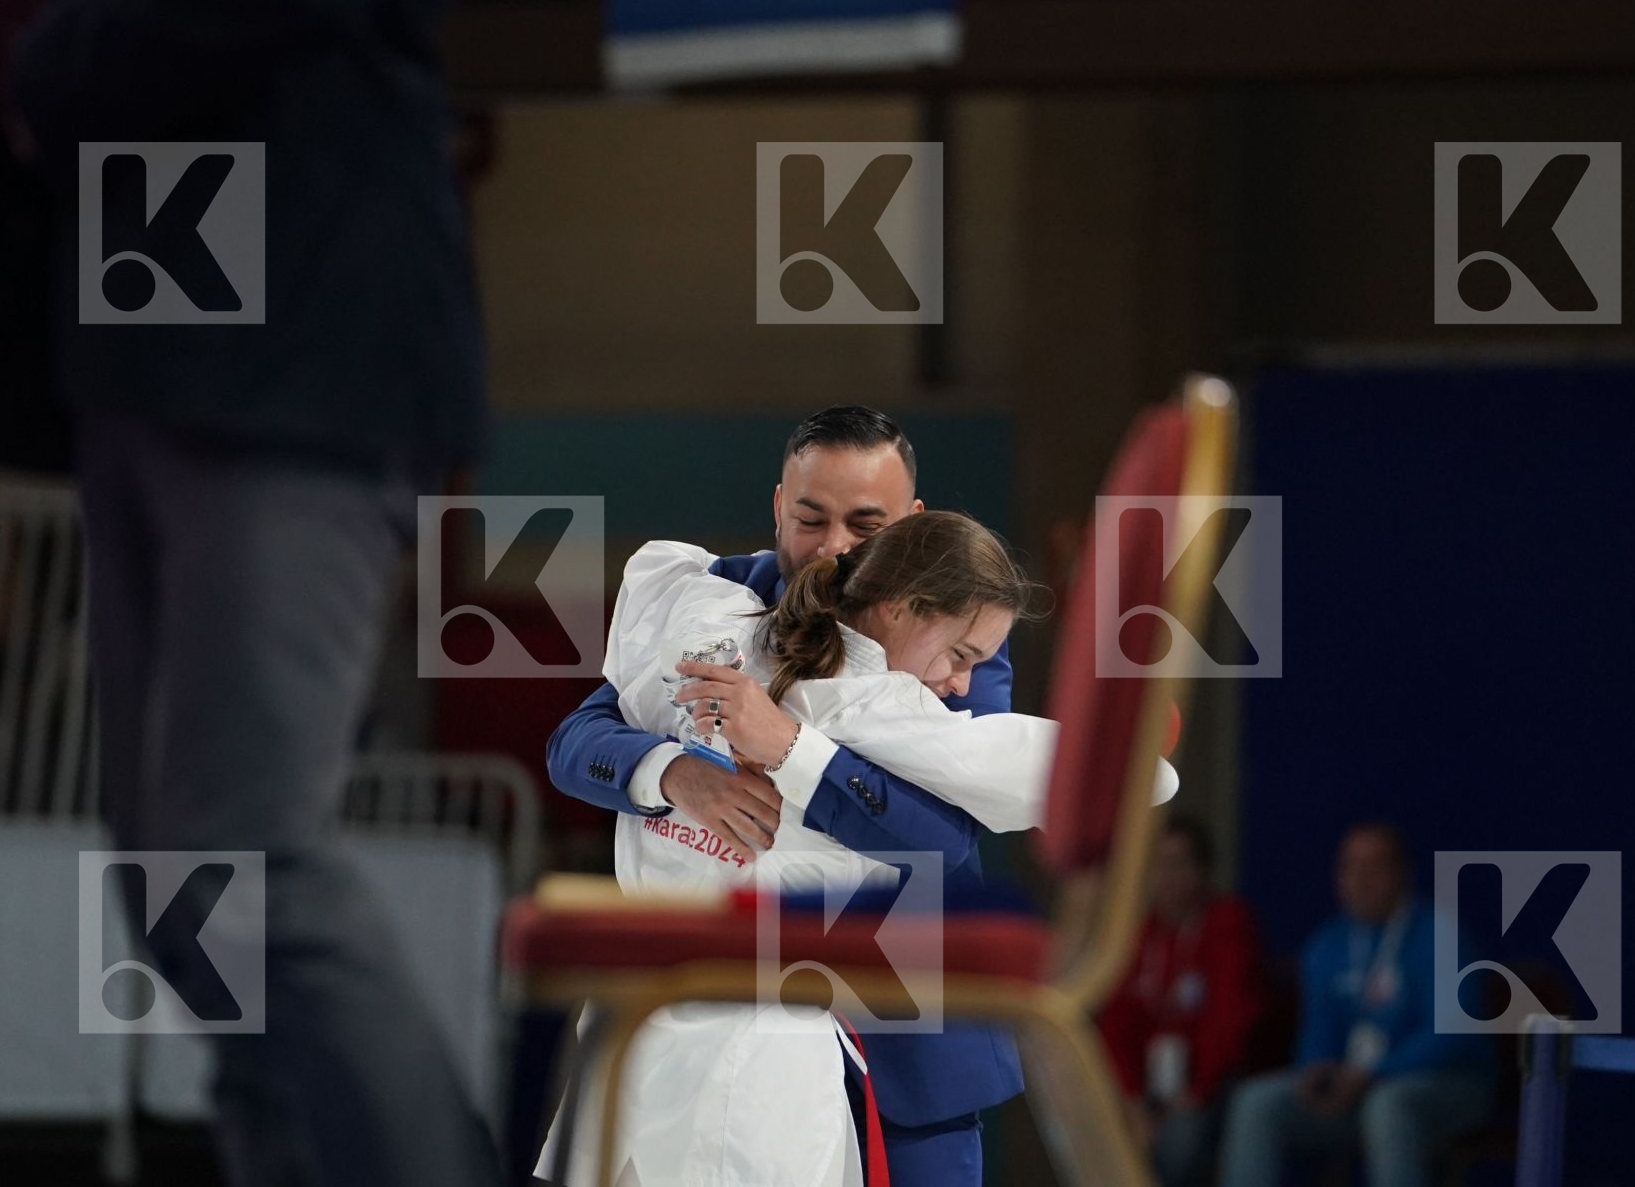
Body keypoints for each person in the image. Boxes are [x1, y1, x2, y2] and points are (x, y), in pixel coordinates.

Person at [7, 0, 500, 1185]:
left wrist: (39, 56)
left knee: (245, 870)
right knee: (177, 886)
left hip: (292, 376)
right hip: (148, 368)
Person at [541, 511, 1178, 1186]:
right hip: (762, 1067)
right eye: (961, 655)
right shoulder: (888, 716)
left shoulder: (703, 621)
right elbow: (1107, 774)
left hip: (631, 1032)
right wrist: (673, 770)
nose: (963, 684)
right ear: (902, 607)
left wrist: (786, 745)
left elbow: (656, 564)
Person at [546, 406, 1022, 1185]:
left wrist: (794, 750)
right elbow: (576, 744)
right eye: (811, 518)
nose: (834, 546)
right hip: (715, 1017)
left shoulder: (958, 652)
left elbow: (946, 839)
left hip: (901, 1028)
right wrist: (674, 773)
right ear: (777, 508)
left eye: (865, 524)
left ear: (912, 524)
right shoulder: (710, 600)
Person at [1217, 823, 1496, 1187]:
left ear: (1402, 874)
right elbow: (1317, 1030)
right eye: (1351, 867)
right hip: (1356, 1088)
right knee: (1256, 1101)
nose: (1362, 879)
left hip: (1448, 1087)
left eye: (1375, 867)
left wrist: (1375, 1072)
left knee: (1389, 1104)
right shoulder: (1325, 945)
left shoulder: (1439, 935)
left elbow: (1449, 1034)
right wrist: (1315, 1071)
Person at [1097, 816, 1263, 1187]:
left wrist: (1195, 1091)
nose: (1167, 875)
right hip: (1150, 1091)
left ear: (1202, 870)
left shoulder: (1226, 923)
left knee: (1180, 1139)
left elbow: (1229, 1019)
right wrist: (1133, 1102)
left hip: (1212, 1086)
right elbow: (1117, 1023)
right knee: (1103, 1130)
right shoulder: (1141, 933)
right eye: (1158, 863)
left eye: (1179, 863)